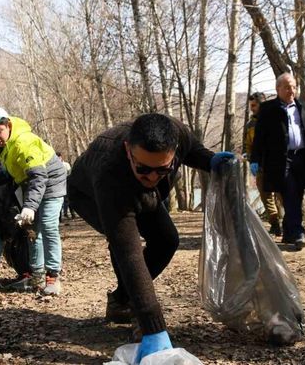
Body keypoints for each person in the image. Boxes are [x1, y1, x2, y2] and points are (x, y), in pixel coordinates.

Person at [67, 113, 234, 362]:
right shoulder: (110, 172)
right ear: (128, 150)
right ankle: (134, 309)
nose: (153, 177)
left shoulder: (177, 132)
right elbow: (130, 252)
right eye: (144, 169)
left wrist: (211, 161)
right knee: (122, 243)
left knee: (167, 240)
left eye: (162, 169)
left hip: (141, 193)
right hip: (88, 194)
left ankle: (121, 300)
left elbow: (193, 151)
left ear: (173, 151)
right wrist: (153, 325)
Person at [0, 106, 67, 295]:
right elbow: (8, 174)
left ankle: (53, 276)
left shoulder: (23, 142)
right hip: (30, 184)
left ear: (8, 125)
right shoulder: (3, 147)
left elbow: (39, 177)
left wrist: (30, 207)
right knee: (33, 231)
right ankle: (36, 276)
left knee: (49, 225)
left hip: (50, 182)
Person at [250, 73, 305, 250]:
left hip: (301, 158)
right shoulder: (268, 109)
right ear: (278, 89)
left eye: (294, 87)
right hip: (279, 160)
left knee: (296, 194)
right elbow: (260, 137)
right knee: (290, 191)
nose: (291, 90)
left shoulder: (304, 107)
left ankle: (287, 232)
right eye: (287, 87)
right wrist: (255, 159)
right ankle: (298, 232)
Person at [242, 92, 282, 236]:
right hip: (260, 165)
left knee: (282, 195)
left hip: (277, 164)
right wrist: (251, 159)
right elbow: (247, 144)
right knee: (266, 197)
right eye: (250, 106)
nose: (252, 108)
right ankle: (275, 224)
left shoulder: (275, 119)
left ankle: (290, 225)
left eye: (254, 105)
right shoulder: (251, 124)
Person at [56, 152, 75, 220]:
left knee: (68, 199)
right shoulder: (55, 165)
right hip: (58, 184)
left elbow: (70, 173)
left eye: (58, 157)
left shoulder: (66, 164)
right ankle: (60, 216)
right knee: (60, 200)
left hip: (67, 182)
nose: (57, 159)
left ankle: (71, 213)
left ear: (61, 157)